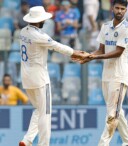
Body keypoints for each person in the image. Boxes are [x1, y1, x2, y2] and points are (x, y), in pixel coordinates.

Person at [18, 6, 88, 146]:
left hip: (26, 77)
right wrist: (76, 53)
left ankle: (27, 140)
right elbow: (57, 46)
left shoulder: (23, 31)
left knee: (38, 110)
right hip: (40, 78)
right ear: (40, 20)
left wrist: (74, 52)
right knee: (46, 114)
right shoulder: (38, 35)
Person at [78, 0, 128, 145]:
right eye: (117, 8)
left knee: (111, 115)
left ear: (126, 10)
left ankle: (102, 143)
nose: (120, 11)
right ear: (112, 8)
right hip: (106, 76)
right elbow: (101, 50)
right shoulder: (105, 26)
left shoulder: (127, 29)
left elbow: (118, 52)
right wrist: (89, 56)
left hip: (119, 76)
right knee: (117, 112)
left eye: (123, 8)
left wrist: (95, 57)